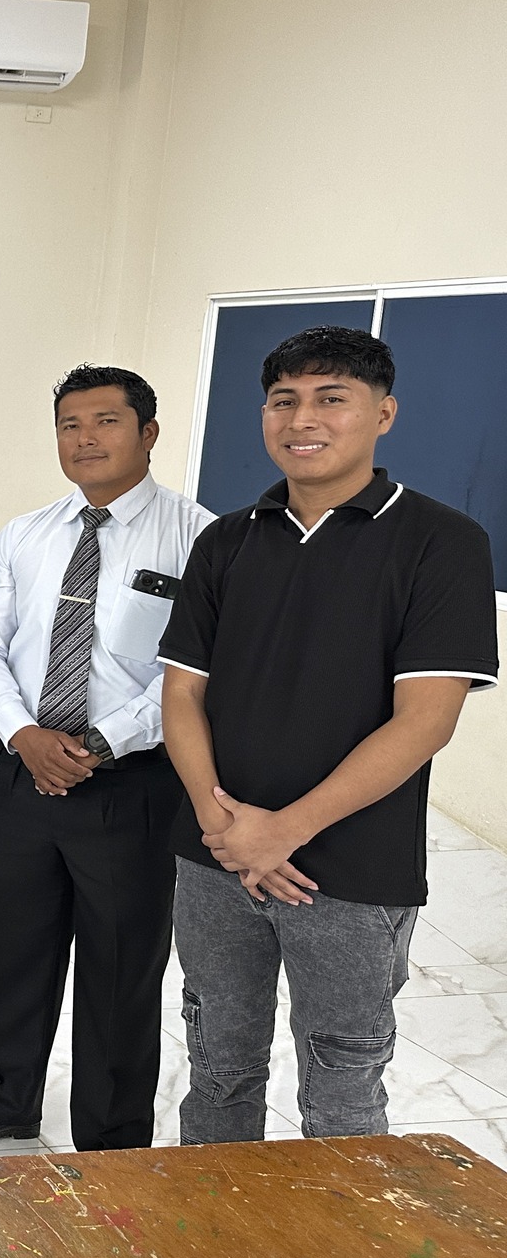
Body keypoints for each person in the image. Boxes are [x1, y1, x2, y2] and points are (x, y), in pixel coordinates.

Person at [160, 327, 496, 1142]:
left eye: (331, 398)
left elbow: (425, 721)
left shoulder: (442, 542)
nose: (302, 419)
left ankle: (338, 1229)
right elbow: (181, 694)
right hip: (215, 861)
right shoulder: (226, 540)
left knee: (343, 1089)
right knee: (218, 1068)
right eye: (284, 400)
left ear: (383, 413)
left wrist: (283, 831)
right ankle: (216, 1218)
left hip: (351, 871)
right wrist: (222, 824)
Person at [0, 365, 212, 1153]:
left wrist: (100, 741)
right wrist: (24, 734)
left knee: (121, 968)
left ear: (148, 433)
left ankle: (112, 1137)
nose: (84, 439)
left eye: (105, 421)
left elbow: (198, 667)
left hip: (132, 782)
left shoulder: (198, 536)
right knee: (15, 948)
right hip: (24, 772)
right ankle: (7, 1101)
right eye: (69, 424)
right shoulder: (26, 534)